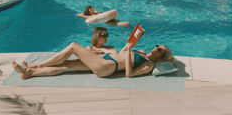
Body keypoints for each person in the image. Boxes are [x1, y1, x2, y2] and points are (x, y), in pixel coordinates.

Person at [12, 41, 175, 79]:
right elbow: (122, 52)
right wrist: (128, 45)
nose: (155, 48)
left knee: (73, 46)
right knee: (66, 65)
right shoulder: (143, 51)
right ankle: (29, 72)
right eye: (156, 46)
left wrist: (130, 51)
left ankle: (37, 64)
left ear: (162, 55)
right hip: (105, 58)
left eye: (159, 49)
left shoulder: (149, 64)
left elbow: (129, 75)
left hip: (108, 66)